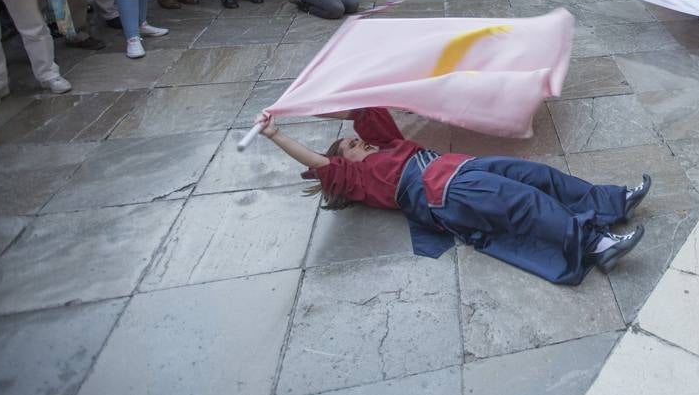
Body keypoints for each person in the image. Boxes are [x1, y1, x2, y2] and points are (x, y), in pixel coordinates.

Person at [256, 107, 649, 284]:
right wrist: (276, 133)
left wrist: (312, 107)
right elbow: (322, 165)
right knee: (524, 203)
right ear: (346, 165)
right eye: (349, 147)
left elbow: (364, 108)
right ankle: (596, 244)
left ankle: (612, 202)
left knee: (538, 175)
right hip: (440, 190)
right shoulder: (359, 178)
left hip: (459, 167)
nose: (357, 143)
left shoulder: (386, 145)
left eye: (354, 140)